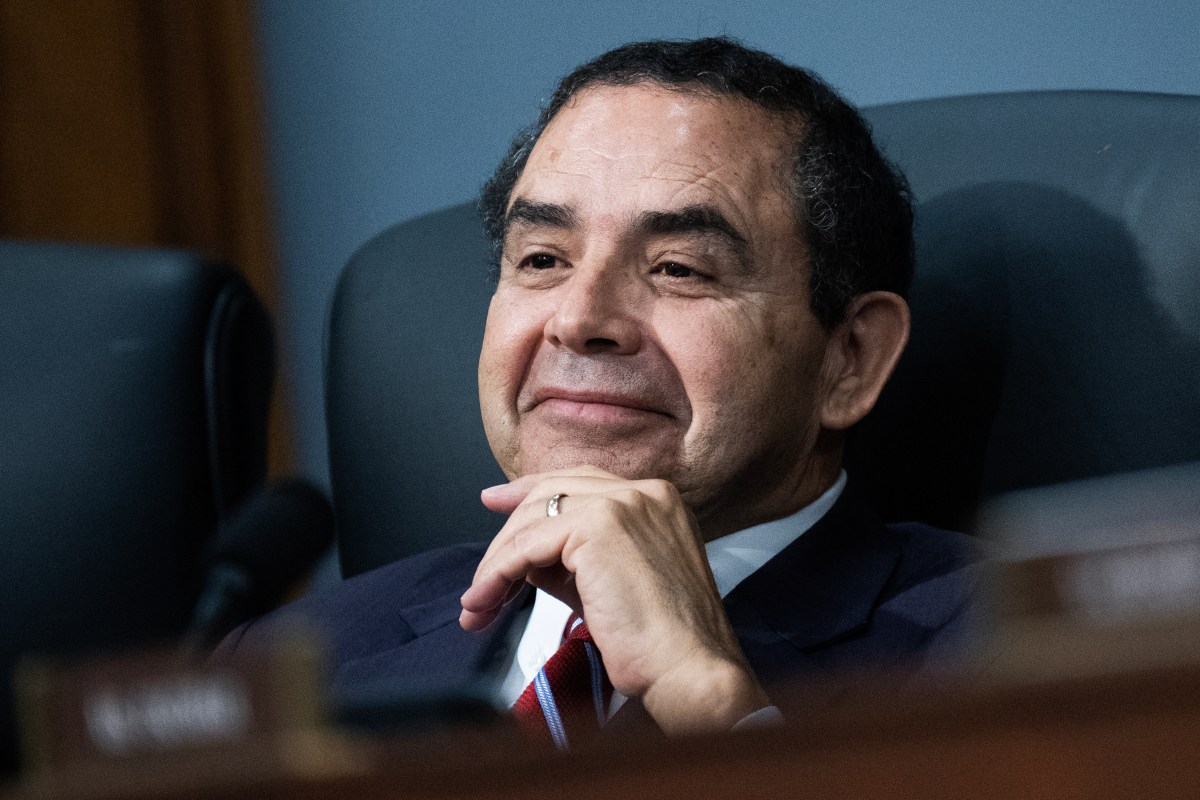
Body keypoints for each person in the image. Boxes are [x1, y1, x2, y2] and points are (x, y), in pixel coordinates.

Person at [217, 36, 977, 743]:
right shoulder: (288, 667)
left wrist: (706, 696)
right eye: (543, 259)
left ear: (850, 359)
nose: (580, 321)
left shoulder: (1019, 651)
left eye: (679, 268)